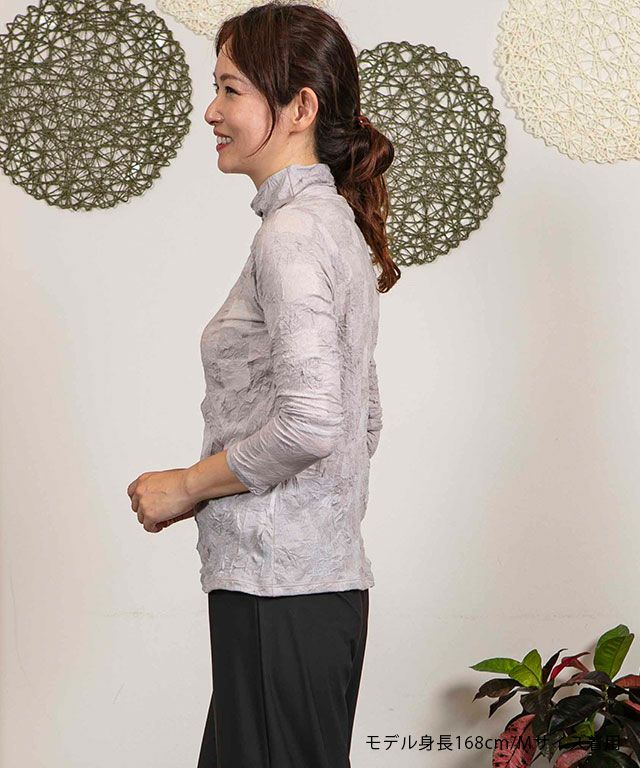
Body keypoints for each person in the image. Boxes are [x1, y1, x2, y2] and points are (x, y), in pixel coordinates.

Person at [128, 2, 400, 765]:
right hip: (302, 595)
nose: (211, 111)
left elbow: (316, 424)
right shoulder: (332, 226)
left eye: (231, 89)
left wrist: (189, 485)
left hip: (279, 600)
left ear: (300, 108)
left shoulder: (293, 235)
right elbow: (362, 419)